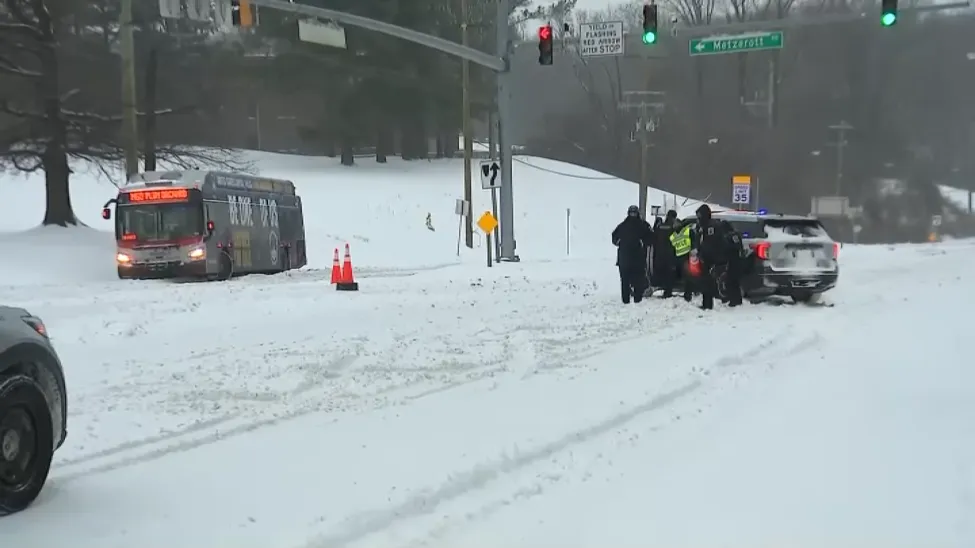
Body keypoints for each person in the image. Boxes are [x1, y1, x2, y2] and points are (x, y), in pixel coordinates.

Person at [694, 204, 744, 309]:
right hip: (720, 259)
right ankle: (734, 300)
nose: (698, 220)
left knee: (707, 282)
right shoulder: (712, 226)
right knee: (730, 280)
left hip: (712, 260)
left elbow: (709, 245)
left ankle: (707, 305)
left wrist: (703, 255)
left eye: (699, 217)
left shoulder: (710, 227)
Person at [612, 205, 654, 304]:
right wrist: (619, 242)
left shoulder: (642, 225)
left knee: (637, 280)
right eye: (631, 213)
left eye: (634, 213)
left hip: (635, 258)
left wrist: (644, 243)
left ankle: (636, 299)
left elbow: (651, 237)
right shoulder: (623, 226)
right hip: (626, 258)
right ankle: (627, 300)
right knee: (626, 281)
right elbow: (614, 237)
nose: (633, 215)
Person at [651, 210, 679, 297]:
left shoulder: (660, 226)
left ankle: (662, 288)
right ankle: (668, 292)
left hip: (659, 254)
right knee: (669, 274)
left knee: (662, 272)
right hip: (670, 254)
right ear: (674, 217)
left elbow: (654, 236)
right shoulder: (673, 227)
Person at [669, 217, 695, 302]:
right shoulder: (672, 236)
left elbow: (694, 241)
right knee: (680, 277)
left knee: (688, 277)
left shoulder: (687, 231)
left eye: (676, 224)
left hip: (687, 257)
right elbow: (672, 248)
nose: (675, 225)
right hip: (678, 259)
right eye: (674, 224)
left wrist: (694, 251)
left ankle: (688, 295)